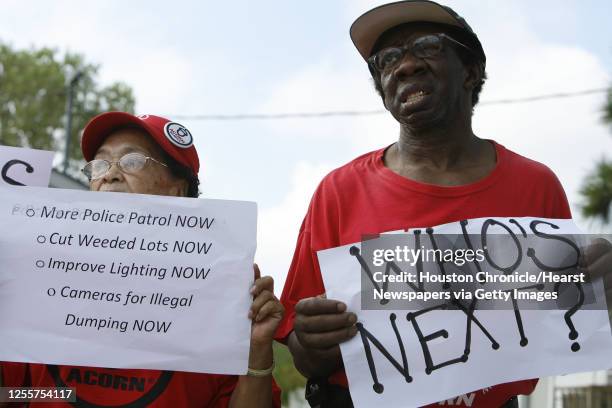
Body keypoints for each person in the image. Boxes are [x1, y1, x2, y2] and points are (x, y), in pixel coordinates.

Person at [276, 1, 574, 407]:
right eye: (388, 60)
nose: (405, 66)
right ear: (383, 92)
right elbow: (307, 355)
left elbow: (566, 324)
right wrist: (313, 340)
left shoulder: (537, 187)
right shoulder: (338, 192)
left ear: (470, 71)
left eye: (428, 47)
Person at [0, 112, 283, 407]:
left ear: (179, 189)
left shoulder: (223, 302)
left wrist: (255, 352)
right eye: (99, 164)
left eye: (132, 161)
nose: (108, 174)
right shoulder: (37, 279)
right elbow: (10, 395)